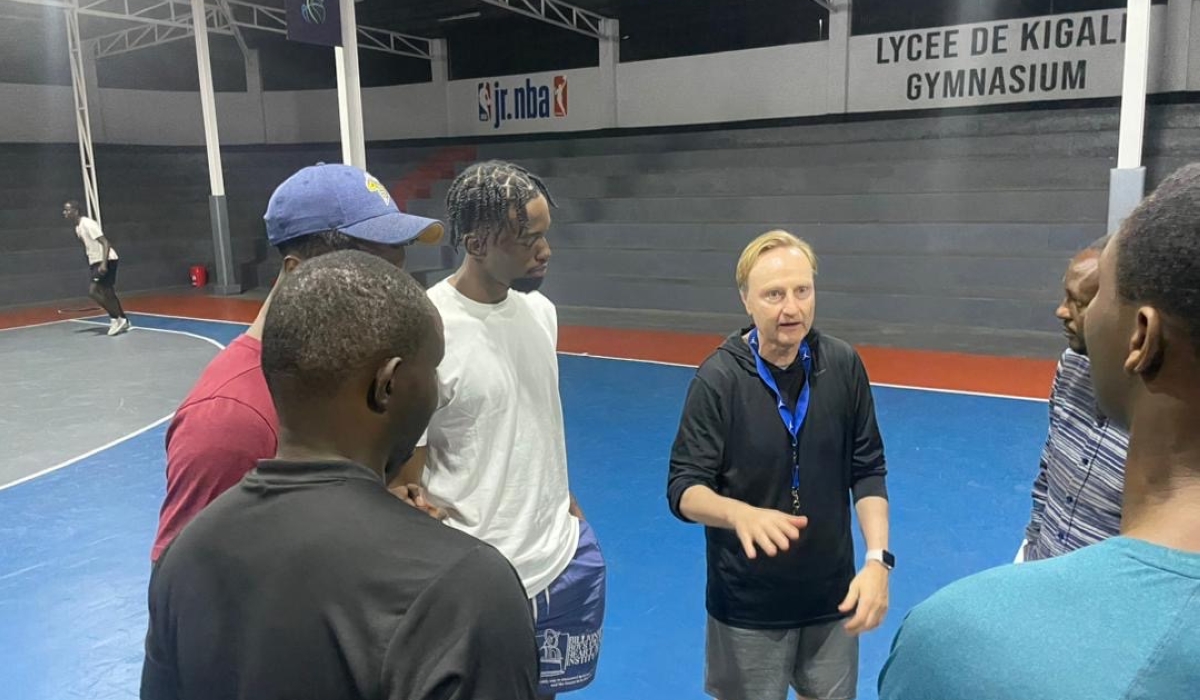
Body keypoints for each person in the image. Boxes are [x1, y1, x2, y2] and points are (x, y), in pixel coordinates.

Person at [140, 250, 540, 700]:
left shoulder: (186, 555)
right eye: (433, 368)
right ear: (386, 383)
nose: (438, 387)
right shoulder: (465, 589)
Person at [878, 164, 1200, 699]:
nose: (1072, 312)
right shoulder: (1069, 377)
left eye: (1099, 297)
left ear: (1141, 338)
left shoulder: (957, 647)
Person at [150, 163, 444, 562]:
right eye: (373, 274)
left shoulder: (345, 372)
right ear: (299, 272)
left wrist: (383, 511)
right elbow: (189, 596)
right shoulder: (229, 421)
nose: (395, 293)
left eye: (397, 271)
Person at [395, 160, 605, 699]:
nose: (545, 251)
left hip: (553, 556)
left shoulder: (542, 314)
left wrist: (563, 497)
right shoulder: (428, 327)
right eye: (528, 238)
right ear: (477, 241)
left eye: (545, 235)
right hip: (478, 577)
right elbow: (407, 480)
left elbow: (528, 420)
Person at [667, 230, 891, 700]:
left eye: (802, 291)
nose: (791, 308)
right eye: (774, 294)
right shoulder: (718, 379)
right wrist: (738, 514)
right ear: (746, 300)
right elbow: (684, 488)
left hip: (832, 598)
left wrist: (877, 562)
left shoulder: (843, 365)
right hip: (748, 606)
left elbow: (867, 468)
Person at [1020, 236, 1129, 562]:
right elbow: (1048, 470)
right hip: (1043, 567)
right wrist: (1032, 551)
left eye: (1077, 301)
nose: (1061, 311)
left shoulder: (1166, 412)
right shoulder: (1070, 367)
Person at [63, 200, 129, 336]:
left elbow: (105, 243)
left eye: (67, 210)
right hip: (96, 261)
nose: (65, 213)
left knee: (93, 291)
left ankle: (115, 318)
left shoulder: (88, 224)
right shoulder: (78, 228)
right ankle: (122, 319)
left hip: (106, 260)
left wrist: (104, 263)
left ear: (75, 211)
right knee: (108, 292)